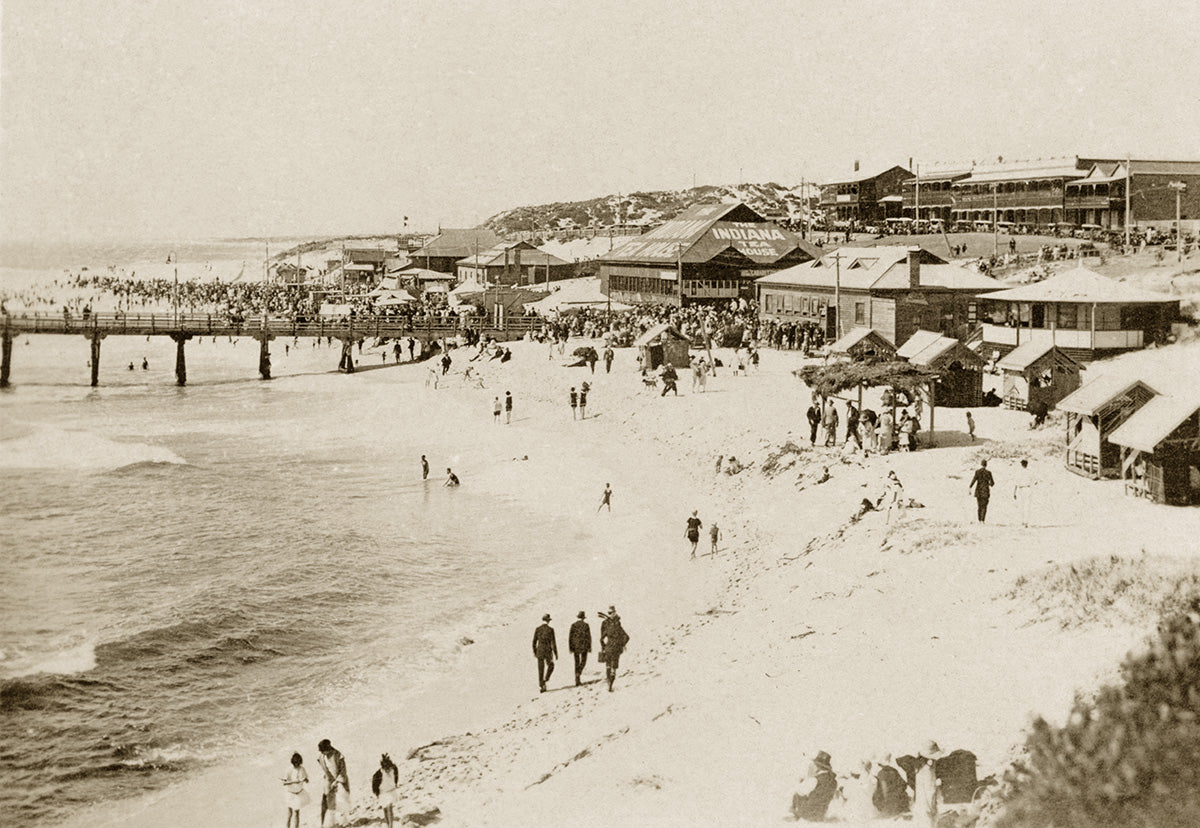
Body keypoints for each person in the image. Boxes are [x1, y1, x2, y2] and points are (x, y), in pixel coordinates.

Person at [790, 750, 837, 821]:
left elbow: (800, 791)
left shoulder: (815, 779)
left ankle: (796, 816)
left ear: (818, 766)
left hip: (808, 813)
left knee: (796, 794)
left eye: (815, 764)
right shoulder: (833, 781)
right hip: (821, 813)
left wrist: (808, 778)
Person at [317, 739, 349, 828]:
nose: (322, 753)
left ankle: (341, 823)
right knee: (325, 802)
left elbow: (343, 771)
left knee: (341, 803)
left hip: (339, 781)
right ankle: (324, 823)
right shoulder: (321, 757)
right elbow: (325, 769)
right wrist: (328, 779)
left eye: (323, 751)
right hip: (328, 780)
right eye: (321, 751)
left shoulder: (338, 755)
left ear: (328, 748)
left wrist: (337, 782)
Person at [912, 740, 944, 828]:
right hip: (927, 809)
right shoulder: (928, 771)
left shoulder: (919, 768)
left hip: (920, 807)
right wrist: (933, 809)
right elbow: (931, 791)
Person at [599, 606, 629, 692]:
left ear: (614, 613)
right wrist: (622, 645)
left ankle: (609, 684)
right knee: (613, 668)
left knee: (608, 666)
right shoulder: (617, 624)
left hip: (608, 648)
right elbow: (626, 637)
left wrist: (604, 647)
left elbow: (601, 638)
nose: (610, 614)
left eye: (610, 613)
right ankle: (610, 685)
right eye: (609, 613)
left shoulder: (607, 624)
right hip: (616, 649)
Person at [873, 753, 909, 817]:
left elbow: (885, 791)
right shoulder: (894, 771)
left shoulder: (881, 773)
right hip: (900, 801)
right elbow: (904, 784)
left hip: (890, 804)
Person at [282, 752, 310, 828]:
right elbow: (284, 782)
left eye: (298, 763)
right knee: (289, 813)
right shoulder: (289, 769)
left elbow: (307, 779)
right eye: (295, 763)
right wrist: (295, 781)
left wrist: (306, 779)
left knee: (297, 813)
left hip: (298, 793)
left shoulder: (302, 769)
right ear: (293, 762)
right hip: (290, 794)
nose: (297, 765)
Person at [371, 754, 399, 828]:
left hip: (391, 791)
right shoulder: (378, 774)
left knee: (389, 807)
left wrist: (394, 786)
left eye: (389, 768)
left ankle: (390, 826)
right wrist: (377, 794)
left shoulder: (394, 769)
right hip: (382, 792)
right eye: (386, 769)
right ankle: (387, 824)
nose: (388, 770)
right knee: (385, 809)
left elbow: (396, 779)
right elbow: (374, 786)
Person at [533, 613, 558, 692]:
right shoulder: (551, 630)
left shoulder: (538, 629)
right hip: (548, 651)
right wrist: (556, 653)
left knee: (540, 669)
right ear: (548, 621)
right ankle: (545, 679)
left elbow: (534, 642)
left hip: (540, 651)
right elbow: (553, 643)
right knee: (551, 665)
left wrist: (535, 652)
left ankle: (541, 685)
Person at [569, 611, 592, 686]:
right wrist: (589, 647)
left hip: (575, 647)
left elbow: (570, 637)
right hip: (584, 646)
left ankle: (577, 679)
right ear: (583, 618)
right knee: (583, 661)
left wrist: (570, 647)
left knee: (576, 663)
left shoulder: (573, 625)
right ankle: (578, 673)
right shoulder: (586, 625)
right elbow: (588, 637)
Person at [1013, 458, 1037, 527]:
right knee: (1027, 505)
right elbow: (1035, 482)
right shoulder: (1030, 472)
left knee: (1021, 505)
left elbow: (1016, 483)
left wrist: (1014, 492)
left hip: (1021, 489)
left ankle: (1023, 521)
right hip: (1028, 489)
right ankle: (1026, 521)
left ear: (1021, 464)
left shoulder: (1019, 472)